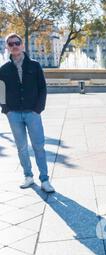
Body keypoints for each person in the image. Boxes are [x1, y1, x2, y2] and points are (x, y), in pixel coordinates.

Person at [0, 33, 55, 192]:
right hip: (14, 114)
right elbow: (0, 91)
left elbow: (42, 88)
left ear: (22, 45)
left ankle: (44, 180)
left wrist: (38, 109)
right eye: (11, 44)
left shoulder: (35, 65)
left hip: (32, 113)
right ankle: (28, 176)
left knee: (38, 146)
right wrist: (6, 110)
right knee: (22, 147)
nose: (14, 45)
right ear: (7, 47)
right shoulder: (3, 69)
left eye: (17, 42)